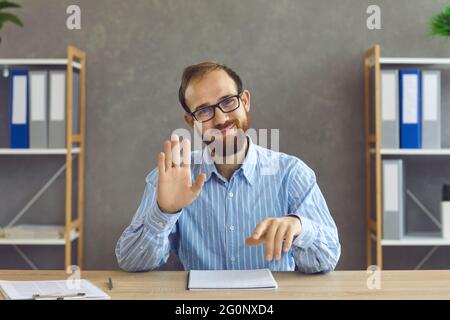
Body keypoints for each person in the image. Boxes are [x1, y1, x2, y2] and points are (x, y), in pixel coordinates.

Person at [115, 62, 341, 273]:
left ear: (245, 101)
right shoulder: (170, 178)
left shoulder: (292, 174)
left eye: (228, 101)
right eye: (204, 111)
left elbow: (326, 260)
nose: (221, 118)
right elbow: (131, 262)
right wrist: (164, 212)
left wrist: (300, 227)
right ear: (191, 122)